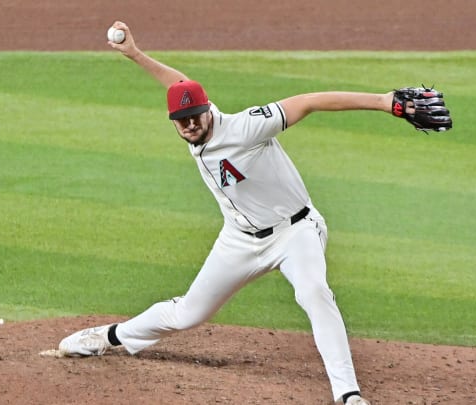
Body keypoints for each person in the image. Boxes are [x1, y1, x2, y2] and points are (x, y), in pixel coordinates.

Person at [57, 21, 442, 405]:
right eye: (182, 120)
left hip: (296, 232)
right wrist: (136, 56)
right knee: (188, 314)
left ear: (208, 111)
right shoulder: (193, 123)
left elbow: (307, 102)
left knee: (314, 293)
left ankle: (348, 394)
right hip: (239, 239)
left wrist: (383, 101)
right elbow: (180, 86)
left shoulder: (247, 127)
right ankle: (108, 336)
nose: (191, 125)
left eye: (196, 116)